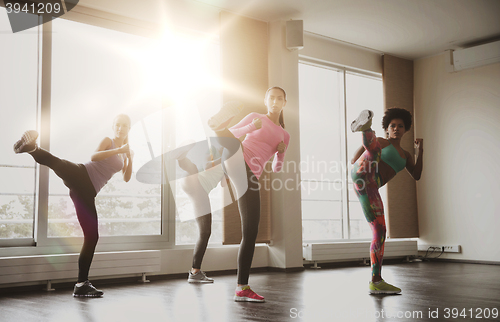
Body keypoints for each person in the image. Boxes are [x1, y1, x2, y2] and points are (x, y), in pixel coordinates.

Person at [13, 114, 133, 297]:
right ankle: (31, 148)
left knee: (92, 236)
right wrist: (118, 151)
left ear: (129, 128)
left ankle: (81, 284)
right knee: (58, 163)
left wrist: (129, 156)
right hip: (82, 174)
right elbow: (94, 156)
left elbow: (126, 177)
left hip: (85, 193)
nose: (120, 128)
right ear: (113, 126)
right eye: (117, 125)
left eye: (124, 126)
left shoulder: (125, 150)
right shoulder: (109, 141)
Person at [207, 87, 290, 302]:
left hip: (250, 175)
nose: (275, 101)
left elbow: (277, 169)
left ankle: (242, 287)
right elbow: (234, 134)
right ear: (265, 100)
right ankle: (218, 126)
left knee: (250, 231)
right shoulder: (256, 117)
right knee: (229, 141)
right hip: (238, 157)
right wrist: (252, 126)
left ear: (284, 103)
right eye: (271, 97)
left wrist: (281, 153)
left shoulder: (284, 135)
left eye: (279, 98)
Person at [350, 108, 423, 294]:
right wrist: (369, 149)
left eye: (400, 126)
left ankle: (376, 280)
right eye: (392, 126)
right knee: (374, 151)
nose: (396, 129)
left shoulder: (406, 156)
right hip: (362, 171)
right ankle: (365, 128)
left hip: (370, 187)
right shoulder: (382, 142)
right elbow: (353, 160)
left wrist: (419, 152)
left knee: (380, 231)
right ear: (387, 129)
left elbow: (416, 175)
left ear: (405, 130)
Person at [172, 143, 225, 283]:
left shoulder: (227, 161)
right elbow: (207, 165)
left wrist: (228, 170)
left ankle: (182, 159)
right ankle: (195, 272)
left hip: (196, 187)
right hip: (195, 181)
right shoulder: (213, 149)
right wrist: (224, 159)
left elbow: (224, 184)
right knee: (205, 232)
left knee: (205, 232)